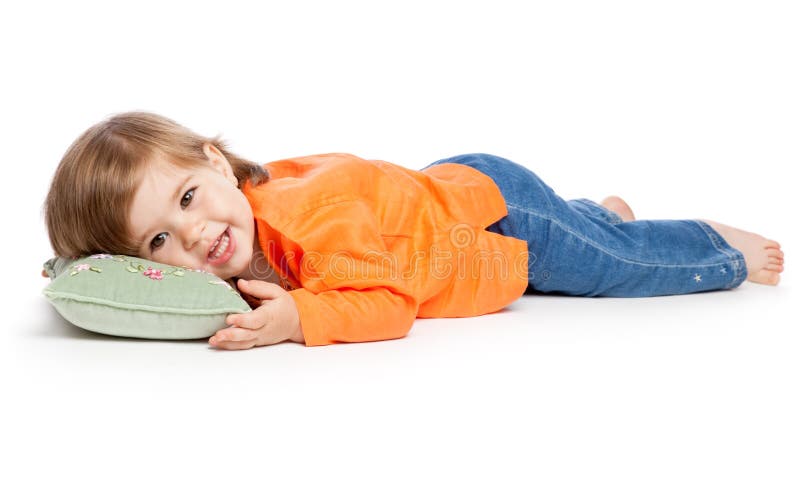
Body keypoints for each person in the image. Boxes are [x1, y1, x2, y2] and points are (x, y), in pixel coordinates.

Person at [42, 111, 785, 350]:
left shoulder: (311, 220)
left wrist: (303, 315)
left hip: (496, 218)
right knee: (591, 229)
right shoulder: (238, 228)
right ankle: (598, 210)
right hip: (439, 190)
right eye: (158, 242)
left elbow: (391, 304)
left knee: (609, 266)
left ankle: (715, 250)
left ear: (217, 161)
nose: (194, 233)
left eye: (190, 196)